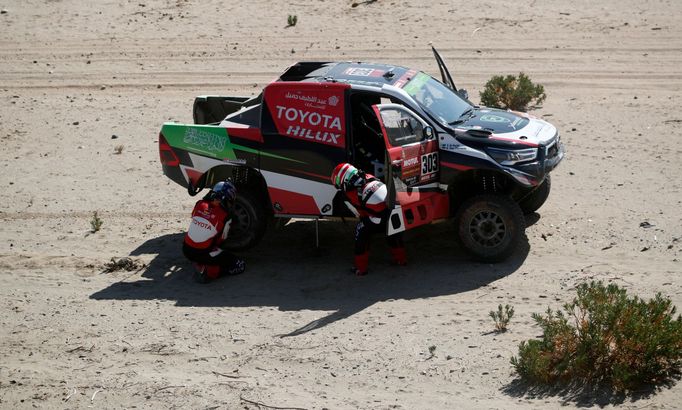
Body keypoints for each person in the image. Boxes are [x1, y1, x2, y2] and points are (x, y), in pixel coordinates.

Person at [331, 163, 407, 276]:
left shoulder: (349, 194)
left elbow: (360, 215)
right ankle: (401, 260)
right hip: (396, 212)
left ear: (344, 180)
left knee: (361, 230)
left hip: (380, 219)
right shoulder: (369, 176)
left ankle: (360, 268)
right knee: (391, 230)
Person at [182, 180, 246, 283]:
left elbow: (194, 217)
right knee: (239, 265)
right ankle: (208, 271)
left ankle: (198, 261)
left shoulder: (199, 204)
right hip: (203, 253)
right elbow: (221, 241)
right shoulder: (225, 216)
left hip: (186, 249)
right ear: (225, 198)